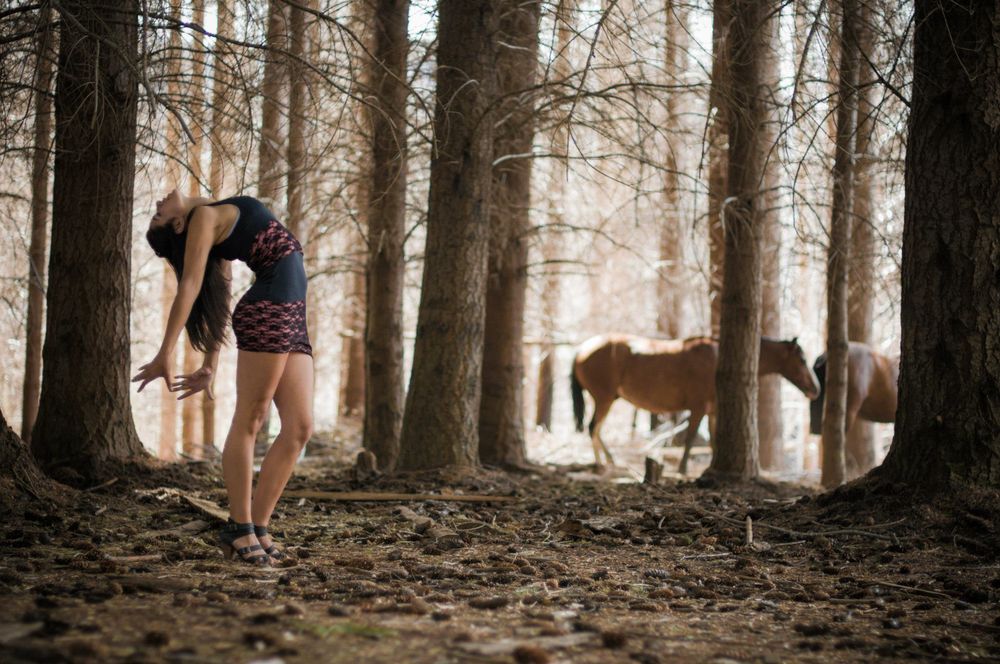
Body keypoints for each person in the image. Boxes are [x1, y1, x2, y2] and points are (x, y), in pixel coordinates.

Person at [134, 189, 314, 566]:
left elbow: (222, 291)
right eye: (158, 215)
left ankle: (258, 527)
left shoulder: (209, 215)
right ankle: (238, 524)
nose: (158, 204)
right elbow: (190, 285)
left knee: (299, 427)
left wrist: (211, 362)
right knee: (251, 417)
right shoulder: (202, 220)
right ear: (180, 224)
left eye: (154, 213)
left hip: (292, 312)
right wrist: (164, 353)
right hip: (269, 309)